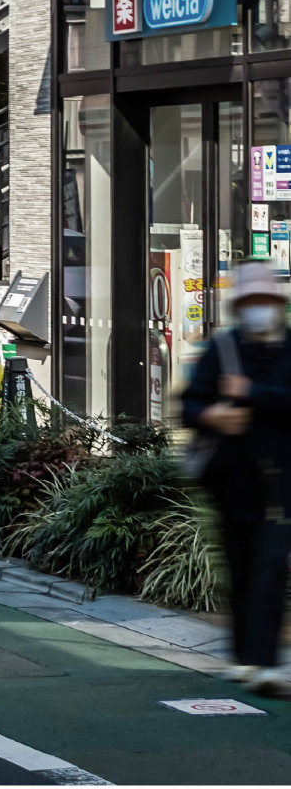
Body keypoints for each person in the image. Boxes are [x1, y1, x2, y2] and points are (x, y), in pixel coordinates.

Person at [184, 260, 291, 693]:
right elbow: (188, 405)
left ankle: (263, 662)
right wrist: (211, 414)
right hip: (231, 480)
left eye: (265, 300)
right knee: (241, 566)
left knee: (269, 565)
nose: (258, 309)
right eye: (251, 301)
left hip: (282, 479)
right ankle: (244, 657)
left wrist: (251, 393)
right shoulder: (222, 347)